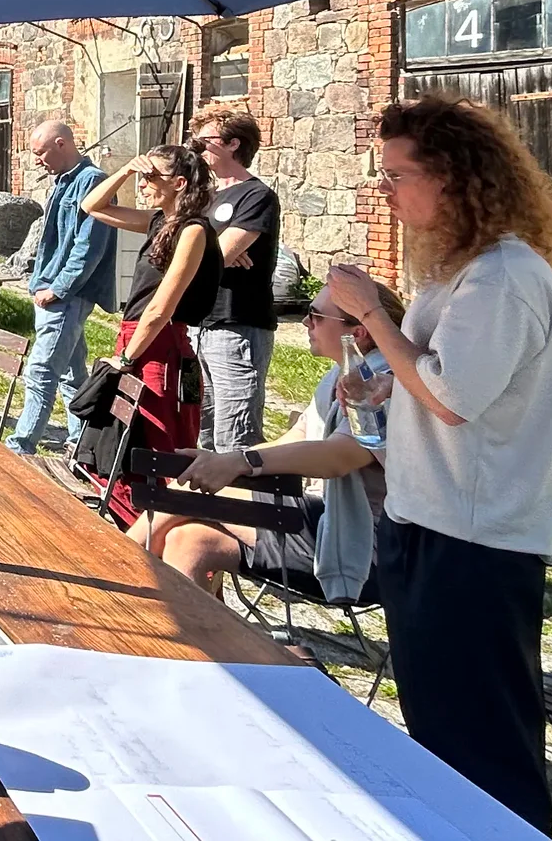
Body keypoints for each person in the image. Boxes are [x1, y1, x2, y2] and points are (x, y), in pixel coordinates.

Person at [326, 96, 552, 835]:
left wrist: (372, 315)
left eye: (397, 175)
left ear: (455, 177)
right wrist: (387, 385)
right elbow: (439, 379)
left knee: (483, 746)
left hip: (474, 539)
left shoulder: (503, 278)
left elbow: (454, 400)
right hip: (427, 520)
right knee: (439, 731)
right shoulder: (461, 271)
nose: (385, 192)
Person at [131, 279, 407, 603]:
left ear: (357, 333)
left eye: (316, 315)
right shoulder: (341, 374)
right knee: (188, 541)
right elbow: (297, 436)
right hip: (323, 520)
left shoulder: (379, 385)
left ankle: (110, 573)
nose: (305, 322)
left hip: (367, 545)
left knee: (184, 493)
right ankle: (194, 635)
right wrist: (225, 462)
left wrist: (241, 463)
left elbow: (340, 456)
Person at [79, 144, 221, 527]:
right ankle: (137, 526)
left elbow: (161, 308)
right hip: (141, 341)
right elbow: (93, 206)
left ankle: (171, 535)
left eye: (150, 176)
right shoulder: (160, 221)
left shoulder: (193, 230)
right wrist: (126, 170)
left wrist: (127, 357)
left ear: (179, 183)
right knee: (131, 440)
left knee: (164, 444)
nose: (142, 183)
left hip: (164, 349)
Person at [9, 121, 117, 457]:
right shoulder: (63, 180)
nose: (37, 160)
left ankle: (20, 446)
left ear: (61, 144)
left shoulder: (92, 181)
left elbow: (89, 247)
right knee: (72, 374)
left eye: (41, 153)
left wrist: (58, 289)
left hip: (66, 296)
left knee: (41, 371)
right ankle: (81, 443)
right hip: (49, 290)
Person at [188, 103, 281, 451]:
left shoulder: (257, 196)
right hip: (199, 324)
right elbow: (187, 251)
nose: (197, 148)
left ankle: (243, 488)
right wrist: (214, 249)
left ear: (233, 144)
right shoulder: (206, 197)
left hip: (237, 325)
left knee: (235, 436)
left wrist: (213, 252)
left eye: (204, 141)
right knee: (201, 432)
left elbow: (218, 256)